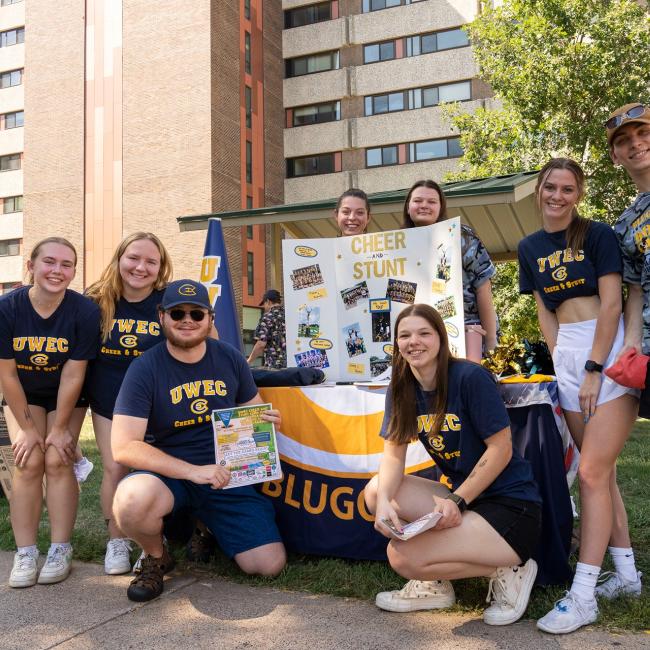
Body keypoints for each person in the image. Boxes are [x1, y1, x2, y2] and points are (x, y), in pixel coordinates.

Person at [517, 158, 640, 634]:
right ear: (539, 190)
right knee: (600, 475)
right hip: (567, 352)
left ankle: (584, 592)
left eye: (568, 189)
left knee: (590, 472)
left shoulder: (596, 234)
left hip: (605, 350)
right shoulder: (529, 247)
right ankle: (627, 575)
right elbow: (545, 309)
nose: (558, 196)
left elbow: (613, 303)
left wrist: (593, 366)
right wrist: (559, 362)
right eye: (551, 187)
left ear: (578, 194)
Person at [364, 304, 541, 626]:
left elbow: (500, 449)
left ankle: (510, 568)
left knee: (401, 557)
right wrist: (385, 506)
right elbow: (392, 455)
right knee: (377, 491)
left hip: (510, 503)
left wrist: (458, 501)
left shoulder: (470, 377)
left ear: (441, 339)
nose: (413, 341)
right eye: (405, 335)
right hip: (465, 500)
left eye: (423, 333)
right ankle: (436, 587)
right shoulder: (401, 387)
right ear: (396, 344)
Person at [111, 279, 286, 602]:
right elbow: (124, 446)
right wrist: (193, 471)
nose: (187, 320)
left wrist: (267, 423)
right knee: (131, 501)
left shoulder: (230, 358)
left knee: (268, 565)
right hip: (170, 475)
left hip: (225, 475)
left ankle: (204, 526)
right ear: (162, 316)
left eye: (197, 313)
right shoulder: (144, 368)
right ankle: (155, 555)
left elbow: (252, 412)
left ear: (210, 319)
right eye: (178, 313)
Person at [0, 237, 100, 587]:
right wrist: (28, 429)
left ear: (74, 270)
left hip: (66, 395)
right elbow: (7, 374)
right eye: (49, 262)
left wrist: (59, 428)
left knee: (58, 457)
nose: (57, 271)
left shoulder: (85, 310)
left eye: (66, 264)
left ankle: (60, 548)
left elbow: (74, 373)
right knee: (27, 460)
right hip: (23, 393)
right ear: (31, 265)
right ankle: (26, 552)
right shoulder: (7, 308)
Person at [83, 232, 172, 575]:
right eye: (134, 258)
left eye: (151, 261)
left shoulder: (168, 302)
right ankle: (117, 540)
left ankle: (151, 540)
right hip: (109, 401)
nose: (141, 267)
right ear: (119, 258)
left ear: (161, 267)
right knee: (116, 469)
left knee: (150, 470)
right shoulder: (94, 302)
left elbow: (206, 341)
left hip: (157, 402)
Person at [402, 180, 498, 354]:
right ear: (408, 207)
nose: (424, 205)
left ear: (441, 207)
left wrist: (491, 342)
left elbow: (483, 288)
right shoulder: (397, 245)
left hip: (465, 333)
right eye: (417, 201)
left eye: (431, 201)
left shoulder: (462, 238)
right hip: (418, 340)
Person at [609, 103, 650, 417]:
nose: (635, 142)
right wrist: (632, 343)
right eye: (623, 140)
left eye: (643, 132)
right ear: (615, 156)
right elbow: (635, 290)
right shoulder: (624, 225)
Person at [247, 289, 286, 369]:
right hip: (293, 366)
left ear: (268, 301)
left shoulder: (268, 317)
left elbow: (261, 344)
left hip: (275, 368)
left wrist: (249, 361)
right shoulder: (289, 315)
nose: (264, 307)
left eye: (264, 304)